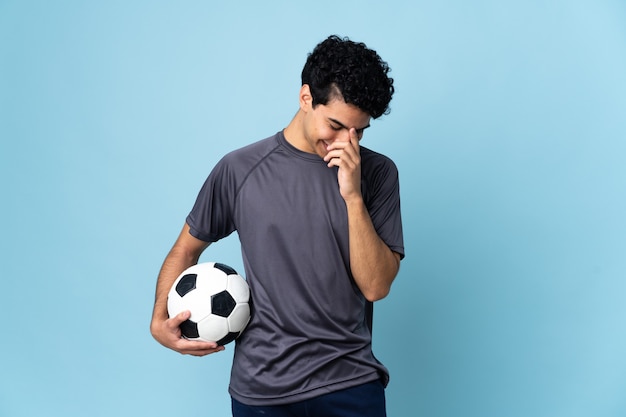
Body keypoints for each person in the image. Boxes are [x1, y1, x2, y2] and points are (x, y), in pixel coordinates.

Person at [150, 35, 405, 417]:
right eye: (335, 125)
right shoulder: (239, 169)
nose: (345, 142)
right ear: (306, 98)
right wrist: (159, 318)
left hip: (350, 383)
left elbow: (376, 285)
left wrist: (352, 196)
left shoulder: (378, 173)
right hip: (263, 391)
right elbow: (186, 249)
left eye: (359, 131)